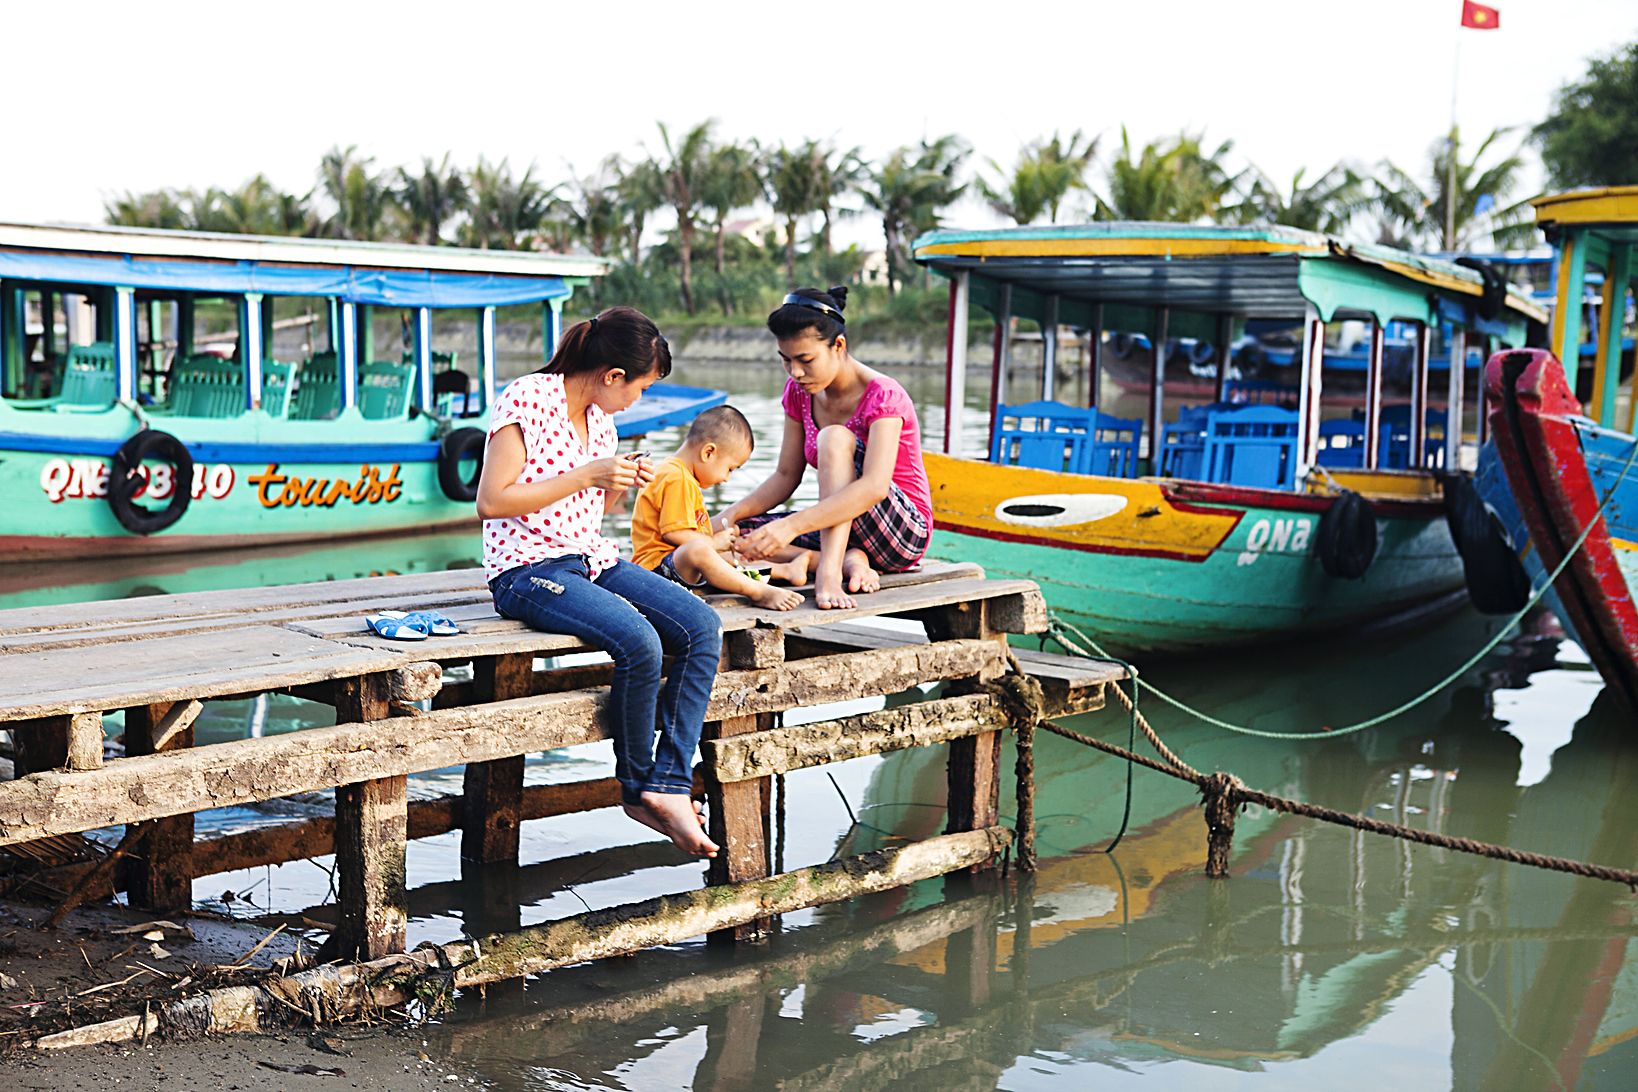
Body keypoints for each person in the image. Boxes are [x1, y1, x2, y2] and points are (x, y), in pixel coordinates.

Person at [476, 307, 721, 858]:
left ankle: (670, 782)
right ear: (613, 375)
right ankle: (637, 789)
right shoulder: (528, 398)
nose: (638, 401)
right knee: (640, 641)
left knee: (702, 626)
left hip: (588, 557)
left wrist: (618, 483)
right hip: (526, 570)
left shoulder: (603, 421)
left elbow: (583, 519)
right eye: (639, 388)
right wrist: (589, 473)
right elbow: (492, 501)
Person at [718, 287, 933, 610]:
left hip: (898, 533)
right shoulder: (798, 392)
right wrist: (726, 517)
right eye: (786, 361)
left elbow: (874, 487)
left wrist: (791, 526)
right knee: (735, 540)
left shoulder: (884, 395)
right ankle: (848, 559)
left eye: (806, 360)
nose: (796, 373)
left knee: (834, 437)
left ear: (839, 346)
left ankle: (829, 574)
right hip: (841, 529)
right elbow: (786, 475)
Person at [630, 405, 805, 610]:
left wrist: (717, 543)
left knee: (722, 552)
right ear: (709, 452)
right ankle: (759, 592)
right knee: (701, 550)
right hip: (655, 572)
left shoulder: (681, 476)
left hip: (675, 565)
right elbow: (675, 534)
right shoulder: (676, 477)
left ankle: (784, 571)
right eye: (729, 469)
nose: (726, 479)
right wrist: (713, 542)